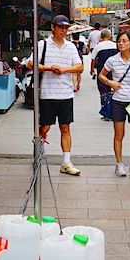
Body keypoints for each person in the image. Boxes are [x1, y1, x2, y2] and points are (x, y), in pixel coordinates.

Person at [26, 15, 84, 175]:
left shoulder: (71, 47)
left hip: (66, 94)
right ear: (53, 27)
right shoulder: (42, 45)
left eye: (66, 28)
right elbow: (30, 64)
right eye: (60, 27)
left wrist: (64, 70)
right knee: (44, 127)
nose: (63, 30)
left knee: (65, 127)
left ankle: (66, 162)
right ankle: (37, 153)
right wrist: (48, 68)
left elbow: (79, 66)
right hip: (46, 94)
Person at [99, 31, 130, 179]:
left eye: (124, 41)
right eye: (119, 41)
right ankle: (119, 164)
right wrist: (110, 82)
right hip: (118, 101)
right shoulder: (112, 60)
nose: (121, 43)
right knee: (119, 134)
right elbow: (101, 75)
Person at [91, 29, 118, 120]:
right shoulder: (115, 46)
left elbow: (93, 59)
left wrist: (91, 69)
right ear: (110, 36)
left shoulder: (98, 47)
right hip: (114, 71)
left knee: (103, 91)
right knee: (113, 91)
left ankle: (105, 112)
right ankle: (113, 111)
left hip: (102, 72)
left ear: (101, 37)